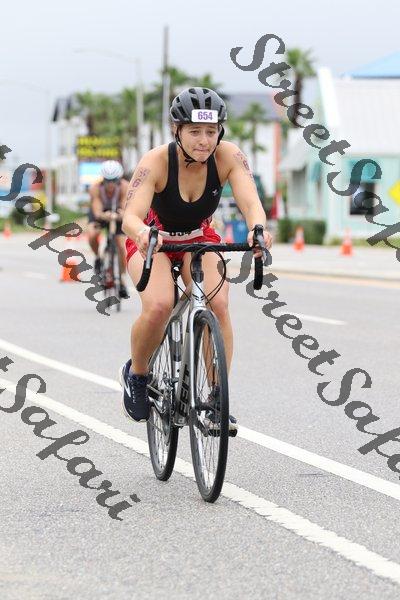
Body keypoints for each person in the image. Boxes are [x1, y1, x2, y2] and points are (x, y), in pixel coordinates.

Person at [120, 87, 272, 427]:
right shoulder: (156, 161)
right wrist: (141, 232)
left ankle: (217, 396)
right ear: (176, 130)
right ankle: (137, 375)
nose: (204, 140)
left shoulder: (229, 156)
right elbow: (130, 216)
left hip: (198, 237)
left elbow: (251, 202)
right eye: (194, 131)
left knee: (218, 303)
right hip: (153, 239)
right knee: (159, 305)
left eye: (211, 131)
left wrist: (257, 230)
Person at [87, 160, 129, 299]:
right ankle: (98, 258)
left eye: (114, 181)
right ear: (103, 180)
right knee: (92, 234)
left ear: (119, 179)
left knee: (122, 245)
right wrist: (102, 215)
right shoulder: (95, 188)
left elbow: (125, 206)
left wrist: (120, 214)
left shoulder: (125, 186)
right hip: (102, 213)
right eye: (107, 181)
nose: (110, 184)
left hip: (118, 212)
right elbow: (97, 209)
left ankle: (121, 279)